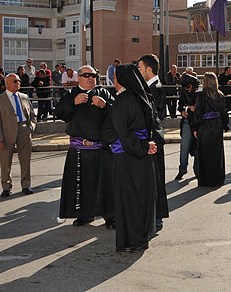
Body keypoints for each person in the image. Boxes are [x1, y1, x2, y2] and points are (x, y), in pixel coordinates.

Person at [102, 64, 157, 252]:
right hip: (143, 156)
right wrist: (146, 146)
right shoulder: (144, 98)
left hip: (128, 157)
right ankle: (142, 237)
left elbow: (122, 134)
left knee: (128, 200)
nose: (114, 80)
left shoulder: (122, 101)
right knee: (142, 197)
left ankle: (132, 241)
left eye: (116, 77)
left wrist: (141, 146)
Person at [54, 65, 114, 227]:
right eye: (86, 75)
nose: (91, 78)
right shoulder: (70, 95)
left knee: (105, 184)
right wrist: (73, 103)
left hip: (101, 148)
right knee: (82, 184)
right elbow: (59, 113)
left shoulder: (103, 93)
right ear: (78, 78)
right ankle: (85, 215)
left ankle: (109, 216)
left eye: (94, 75)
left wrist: (105, 105)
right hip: (80, 149)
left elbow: (117, 114)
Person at [137, 54, 170, 231]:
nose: (138, 72)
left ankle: (157, 215)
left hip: (153, 140)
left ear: (148, 69)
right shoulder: (150, 87)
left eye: (140, 68)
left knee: (156, 178)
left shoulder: (154, 88)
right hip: (151, 138)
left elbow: (153, 116)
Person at [0, 73, 37, 196]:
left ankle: (26, 185)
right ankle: (6, 186)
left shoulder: (24, 97)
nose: (18, 83)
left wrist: (30, 128)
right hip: (7, 133)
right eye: (15, 81)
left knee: (25, 160)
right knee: (6, 162)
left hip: (24, 130)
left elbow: (32, 116)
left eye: (18, 81)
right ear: (7, 84)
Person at [192, 72, 229, 186]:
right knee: (217, 153)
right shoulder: (220, 95)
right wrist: (225, 125)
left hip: (205, 126)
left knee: (205, 153)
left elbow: (198, 112)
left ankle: (205, 179)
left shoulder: (201, 96)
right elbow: (224, 111)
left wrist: (195, 127)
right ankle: (217, 178)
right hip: (217, 126)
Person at [176, 73, 199, 180]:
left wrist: (195, 108)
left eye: (188, 87)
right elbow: (180, 106)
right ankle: (182, 169)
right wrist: (182, 111)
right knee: (184, 146)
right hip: (187, 121)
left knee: (198, 147)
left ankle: (197, 169)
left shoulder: (200, 92)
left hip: (198, 122)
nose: (187, 89)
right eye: (185, 87)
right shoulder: (184, 92)